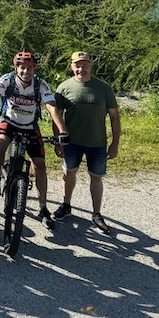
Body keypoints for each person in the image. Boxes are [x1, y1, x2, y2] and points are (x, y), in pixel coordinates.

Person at [0, 51, 66, 231]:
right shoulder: (8, 80)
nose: (26, 71)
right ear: (16, 67)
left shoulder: (40, 84)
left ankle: (43, 208)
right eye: (22, 67)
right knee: (0, 144)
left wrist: (62, 131)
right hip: (9, 122)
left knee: (40, 167)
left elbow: (52, 108)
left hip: (30, 126)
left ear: (34, 68)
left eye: (29, 68)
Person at [51, 51, 121, 235]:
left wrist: (115, 143)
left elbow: (114, 117)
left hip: (97, 143)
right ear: (72, 66)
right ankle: (66, 206)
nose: (81, 68)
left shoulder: (104, 88)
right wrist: (58, 140)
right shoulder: (64, 88)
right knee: (68, 173)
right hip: (71, 142)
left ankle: (97, 214)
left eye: (85, 65)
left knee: (96, 178)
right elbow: (56, 116)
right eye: (77, 65)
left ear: (91, 66)